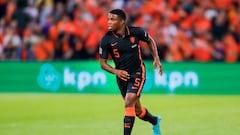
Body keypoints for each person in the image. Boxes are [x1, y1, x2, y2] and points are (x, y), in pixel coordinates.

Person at [99, 9, 163, 135]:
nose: (109, 22)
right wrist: (116, 71)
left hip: (138, 72)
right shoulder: (106, 40)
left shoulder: (136, 32)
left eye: (112, 19)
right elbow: (102, 64)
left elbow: (150, 40)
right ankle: (155, 121)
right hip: (122, 77)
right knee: (137, 111)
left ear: (122, 21)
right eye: (108, 19)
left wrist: (156, 57)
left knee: (129, 101)